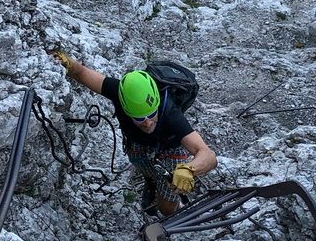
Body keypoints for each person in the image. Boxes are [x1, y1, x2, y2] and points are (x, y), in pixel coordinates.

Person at [52, 51, 217, 216]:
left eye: (152, 115)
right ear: (125, 106)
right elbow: (81, 74)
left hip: (170, 147)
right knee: (139, 162)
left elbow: (207, 155)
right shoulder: (119, 91)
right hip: (137, 142)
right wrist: (68, 64)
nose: (147, 122)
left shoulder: (171, 114)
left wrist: (189, 169)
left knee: (166, 206)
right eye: (139, 118)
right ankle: (151, 181)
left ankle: (172, 207)